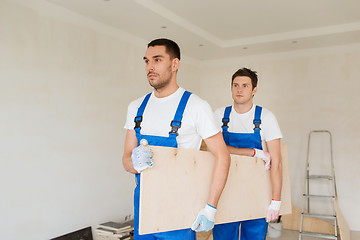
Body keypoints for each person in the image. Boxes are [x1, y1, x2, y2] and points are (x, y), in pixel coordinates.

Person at [122, 38, 230, 240]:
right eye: (146, 61)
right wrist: (135, 164)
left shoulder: (196, 106)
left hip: (181, 209)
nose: (150, 67)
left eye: (157, 60)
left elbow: (223, 156)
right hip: (145, 207)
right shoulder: (136, 107)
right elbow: (126, 159)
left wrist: (211, 207)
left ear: (175, 64)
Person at [212, 68, 283, 240]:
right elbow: (214, 149)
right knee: (222, 237)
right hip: (225, 191)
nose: (239, 89)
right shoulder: (220, 115)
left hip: (257, 192)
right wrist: (253, 153)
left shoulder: (266, 117)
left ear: (254, 90)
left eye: (245, 85)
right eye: (235, 85)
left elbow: (277, 163)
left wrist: (276, 201)